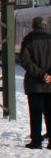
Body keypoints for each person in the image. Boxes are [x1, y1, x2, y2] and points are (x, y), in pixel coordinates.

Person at [19, 16, 51, 149]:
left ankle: (36, 141)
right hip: (50, 85)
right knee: (50, 113)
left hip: (34, 85)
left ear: (33, 26)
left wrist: (40, 74)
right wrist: (49, 75)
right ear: (45, 26)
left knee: (35, 114)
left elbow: (25, 61)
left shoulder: (28, 40)